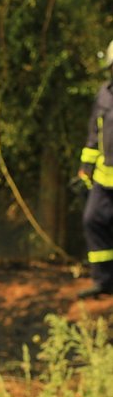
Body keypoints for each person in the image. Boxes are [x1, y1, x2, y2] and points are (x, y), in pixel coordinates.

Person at [76, 39, 113, 298]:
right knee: (93, 220)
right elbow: (94, 134)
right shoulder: (103, 94)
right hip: (103, 176)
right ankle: (103, 280)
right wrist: (84, 168)